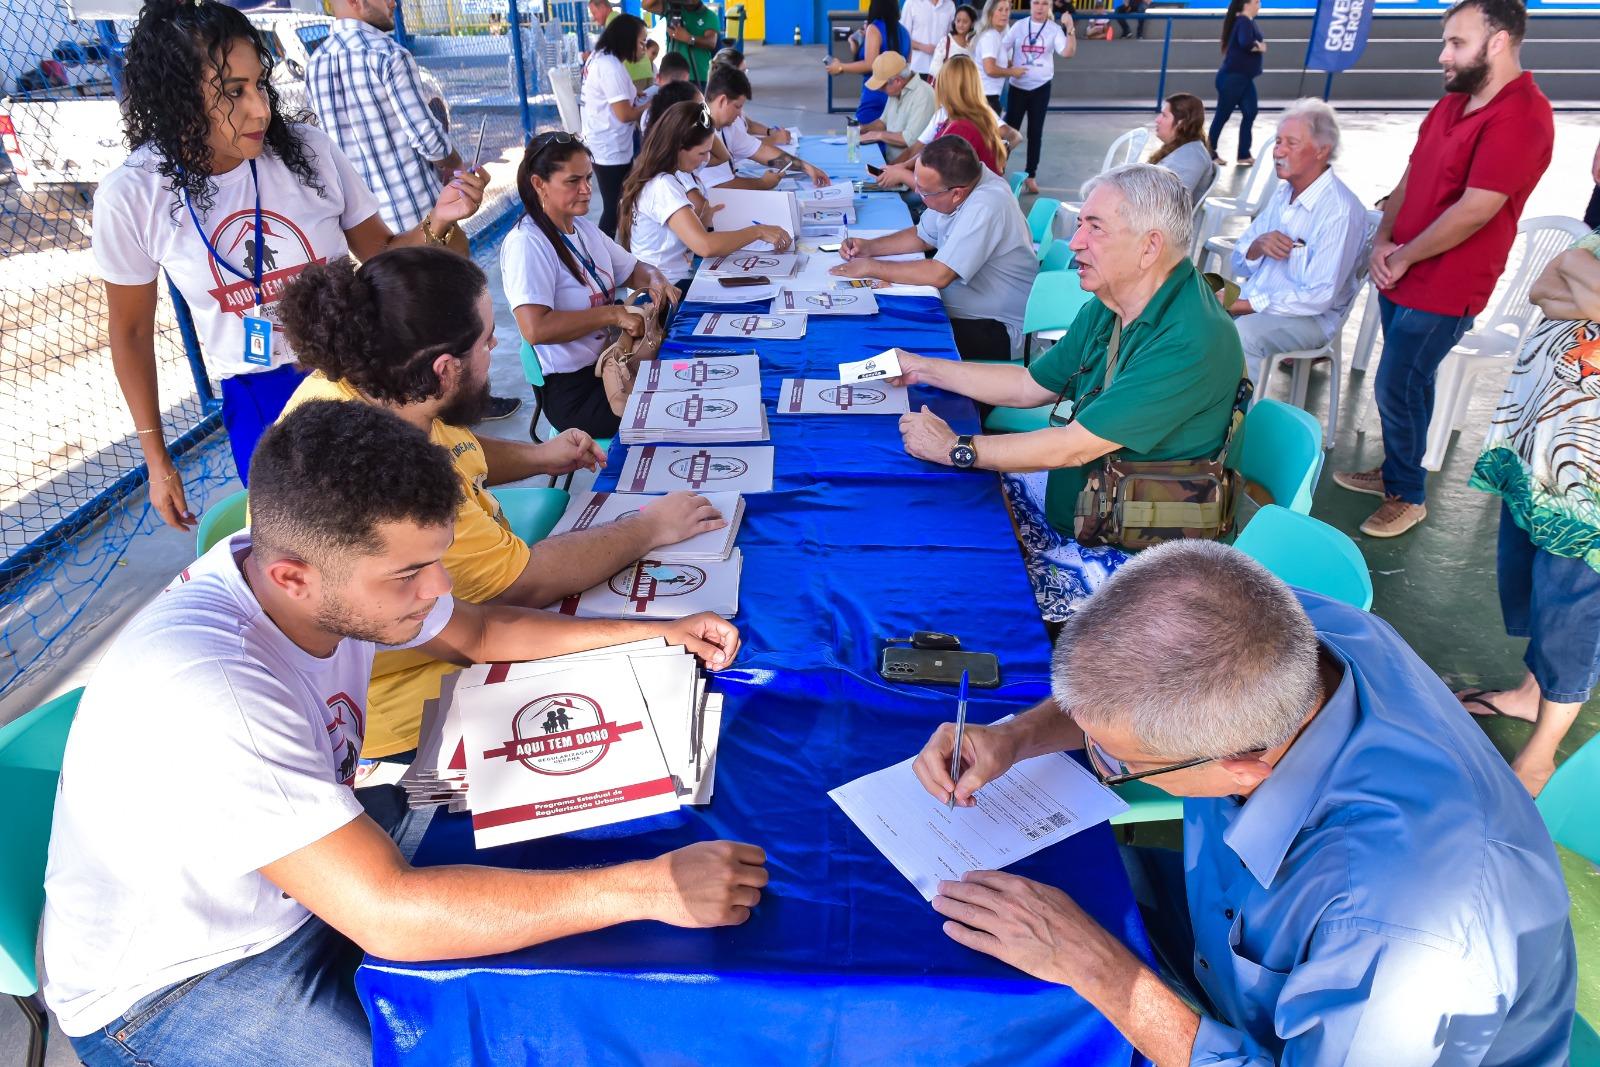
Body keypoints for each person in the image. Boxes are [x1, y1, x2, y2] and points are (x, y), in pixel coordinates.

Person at [41, 399, 766, 1067]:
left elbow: (480, 629)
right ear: (294, 577)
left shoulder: (320, 577)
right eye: (411, 574)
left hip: (304, 875)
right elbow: (388, 912)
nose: (435, 591)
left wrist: (654, 633)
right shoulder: (218, 685)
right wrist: (648, 887)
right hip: (181, 981)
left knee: (566, 888)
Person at [907, 540, 1575, 1066]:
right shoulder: (1273, 630)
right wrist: (1017, 735)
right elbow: (1128, 687)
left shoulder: (1403, 926)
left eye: (1116, 762)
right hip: (1218, 940)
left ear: (1243, 766)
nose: (1096, 759)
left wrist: (1098, 967)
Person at [277, 247, 717, 757]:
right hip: (416, 701)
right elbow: (518, 591)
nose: (497, 345)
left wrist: (537, 457)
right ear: (444, 368)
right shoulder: (372, 480)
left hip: (466, 632)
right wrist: (650, 526)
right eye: (487, 340)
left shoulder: (372, 379)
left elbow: (450, 441)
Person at [95, 0, 486, 529]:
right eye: (234, 92)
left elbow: (382, 252)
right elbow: (132, 330)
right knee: (321, 539)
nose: (261, 110)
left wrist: (441, 219)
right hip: (261, 391)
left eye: (259, 84)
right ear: (177, 98)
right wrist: (156, 457)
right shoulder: (135, 194)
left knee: (417, 519)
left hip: (358, 365)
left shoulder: (307, 152)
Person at [885, 164, 1243, 620]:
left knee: (960, 593)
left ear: (1150, 246)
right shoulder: (1115, 303)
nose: (1076, 242)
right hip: (1088, 503)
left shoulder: (1190, 339)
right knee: (935, 515)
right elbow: (1029, 384)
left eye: (1095, 228)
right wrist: (924, 368)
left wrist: (956, 448)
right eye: (1080, 225)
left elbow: (1072, 448)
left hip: (1140, 556)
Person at [1333, 0, 1553, 538]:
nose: (1443, 55)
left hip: (1446, 284)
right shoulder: (1455, 103)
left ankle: (1407, 495)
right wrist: (1384, 238)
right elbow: (1413, 171)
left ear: (1497, 41)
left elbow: (1477, 208)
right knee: (1411, 382)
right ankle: (1396, 470)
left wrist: (1402, 254)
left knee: (1395, 384)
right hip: (1401, 269)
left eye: (1456, 42)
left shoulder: (1523, 115)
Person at [306, 0, 523, 427]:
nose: (394, 3)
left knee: (409, 325)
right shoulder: (386, 54)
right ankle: (467, 403)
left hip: (367, 222)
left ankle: (428, 408)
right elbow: (426, 135)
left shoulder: (318, 61)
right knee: (461, 315)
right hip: (422, 213)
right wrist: (458, 168)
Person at [1461, 225, 1600, 795]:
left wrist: (1579, 281)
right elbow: (1545, 287)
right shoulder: (1591, 241)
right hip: (1541, 444)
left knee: (1574, 605)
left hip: (1588, 475)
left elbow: (1568, 282)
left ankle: (1540, 755)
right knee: (1532, 578)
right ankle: (1527, 693)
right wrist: (1576, 274)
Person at [503, 130, 684, 439]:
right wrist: (612, 314)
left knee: (686, 378)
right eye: (573, 181)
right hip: (576, 392)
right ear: (539, 184)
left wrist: (657, 280)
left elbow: (635, 270)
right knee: (677, 408)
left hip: (616, 361)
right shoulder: (527, 243)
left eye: (588, 178)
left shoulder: (583, 229)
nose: (586, 189)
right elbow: (535, 329)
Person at [832, 137, 1034, 363]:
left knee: (894, 334)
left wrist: (872, 267)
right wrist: (869, 247)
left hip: (1002, 329)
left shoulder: (986, 204)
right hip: (969, 308)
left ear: (956, 193)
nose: (917, 191)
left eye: (925, 191)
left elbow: (940, 274)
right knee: (887, 313)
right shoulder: (958, 188)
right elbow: (923, 236)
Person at [1225, 99, 1368, 384]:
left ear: (1321, 150)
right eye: (1278, 142)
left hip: (1311, 319)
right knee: (1190, 312)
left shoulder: (1339, 211)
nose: (1279, 151)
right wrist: (1258, 246)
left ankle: (1236, 425)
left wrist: (1248, 304)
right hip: (1265, 298)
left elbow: (1318, 297)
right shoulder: (1284, 193)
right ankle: (1194, 414)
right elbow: (1239, 258)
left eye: (1291, 143)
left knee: (1242, 335)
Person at [619, 100, 792, 284]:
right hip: (668, 288)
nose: (707, 159)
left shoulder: (665, 174)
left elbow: (723, 157)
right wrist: (758, 231)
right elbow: (705, 246)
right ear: (678, 148)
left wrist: (701, 222)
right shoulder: (663, 185)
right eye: (702, 153)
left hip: (673, 280)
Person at [875, 55, 1008, 186]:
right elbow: (930, 153)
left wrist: (901, 175)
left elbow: (938, 187)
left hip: (972, 203)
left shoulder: (962, 128)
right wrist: (902, 166)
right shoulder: (963, 119)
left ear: (944, 87)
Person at [701, 65, 830, 189]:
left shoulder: (728, 127)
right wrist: (762, 183)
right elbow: (719, 187)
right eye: (737, 107)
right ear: (722, 100)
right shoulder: (700, 132)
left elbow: (761, 151)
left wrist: (806, 167)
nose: (740, 114)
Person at [581, 13, 649, 238]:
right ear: (627, 40)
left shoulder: (602, 58)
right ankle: (603, 255)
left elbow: (612, 95)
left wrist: (632, 93)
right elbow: (625, 114)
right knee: (614, 207)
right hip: (610, 148)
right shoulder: (610, 66)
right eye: (641, 43)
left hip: (605, 143)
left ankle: (607, 253)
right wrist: (651, 104)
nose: (643, 48)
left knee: (616, 204)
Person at [1001, 0, 1076, 194]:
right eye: (1036, 2)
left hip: (1040, 88)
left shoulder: (1053, 29)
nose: (1040, 7)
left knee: (1036, 133)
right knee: (1009, 132)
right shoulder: (1019, 26)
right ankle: (999, 170)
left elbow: (1068, 52)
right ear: (1031, 4)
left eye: (1044, 3)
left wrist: (1070, 27)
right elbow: (1002, 46)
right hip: (1017, 87)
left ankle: (1031, 175)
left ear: (1050, 6)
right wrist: (1008, 64)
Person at [824, 0, 910, 125]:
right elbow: (907, 64)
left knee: (862, 136)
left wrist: (840, 67)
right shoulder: (904, 32)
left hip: (876, 94)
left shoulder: (874, 28)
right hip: (899, 95)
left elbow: (870, 64)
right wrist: (856, 45)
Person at [1209, 0, 1266, 166]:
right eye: (1256, 2)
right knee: (1223, 114)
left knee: (1250, 112)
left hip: (1243, 78)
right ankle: (1209, 152)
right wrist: (1260, 46)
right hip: (1232, 79)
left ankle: (1243, 154)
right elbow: (1245, 43)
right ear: (1247, 4)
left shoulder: (1246, 21)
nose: (1259, 5)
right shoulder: (1243, 21)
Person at [857, 52, 940, 164]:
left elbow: (910, 140)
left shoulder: (923, 95)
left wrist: (878, 135)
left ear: (897, 81)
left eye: (882, 86)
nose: (880, 90)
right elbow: (883, 122)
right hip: (892, 163)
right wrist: (864, 128)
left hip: (910, 168)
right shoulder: (896, 90)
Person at [1147, 92, 1215, 205]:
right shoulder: (1181, 148)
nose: (1157, 120)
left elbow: (1166, 203)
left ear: (1181, 123)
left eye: (1164, 115)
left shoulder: (1191, 157)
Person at [643, 0, 719, 85]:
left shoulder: (709, 15)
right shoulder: (673, 9)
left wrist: (689, 38)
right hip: (672, 73)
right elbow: (646, 4)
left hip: (699, 74)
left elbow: (711, 43)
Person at [589, 0, 654, 90]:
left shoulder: (614, 23)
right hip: (643, 71)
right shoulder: (618, 19)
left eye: (594, 13)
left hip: (634, 74)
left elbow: (609, 55)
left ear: (603, 7)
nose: (593, 18)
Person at [974, 0, 1015, 116]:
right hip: (986, 97)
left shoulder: (998, 32)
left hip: (990, 95)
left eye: (1007, 10)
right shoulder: (990, 36)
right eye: (1000, 10)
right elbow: (990, 69)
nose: (1004, 13)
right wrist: (1013, 72)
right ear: (990, 13)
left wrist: (1009, 64)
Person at [902, 0, 956, 81]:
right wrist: (922, 47)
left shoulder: (950, 5)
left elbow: (952, 36)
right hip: (916, 67)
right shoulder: (911, 3)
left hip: (941, 69)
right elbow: (903, 37)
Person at [930, 4, 978, 81]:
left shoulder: (975, 44)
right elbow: (934, 68)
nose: (960, 24)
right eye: (958, 21)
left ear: (972, 24)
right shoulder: (946, 42)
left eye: (965, 22)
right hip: (946, 87)